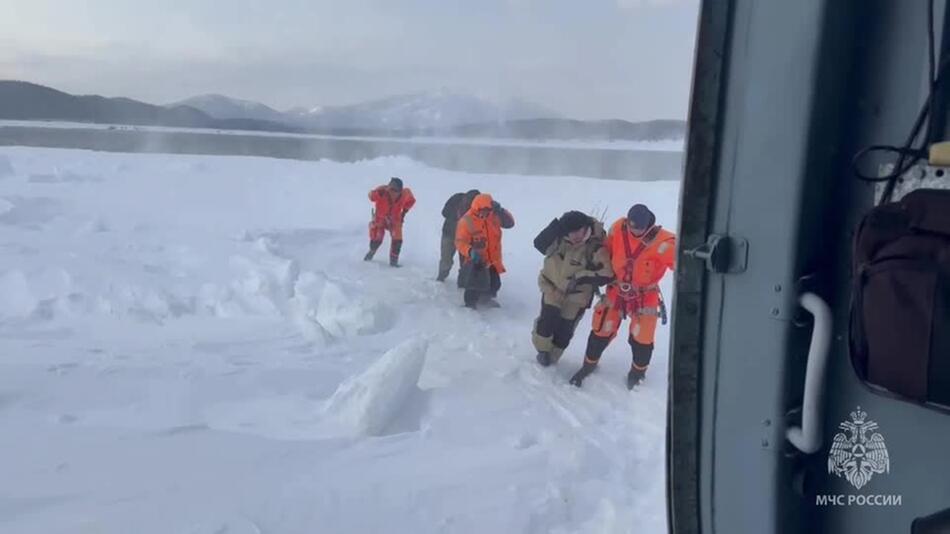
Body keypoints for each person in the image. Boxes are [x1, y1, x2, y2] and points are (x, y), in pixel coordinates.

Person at [569, 204, 676, 389]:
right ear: (627, 221)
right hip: (616, 290)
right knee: (601, 329)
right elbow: (605, 251)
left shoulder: (664, 242)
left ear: (648, 224)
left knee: (642, 338)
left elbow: (685, 266)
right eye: (632, 226)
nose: (635, 231)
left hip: (645, 295)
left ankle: (637, 373)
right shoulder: (618, 228)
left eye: (640, 228)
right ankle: (588, 365)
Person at [532, 211, 614, 367]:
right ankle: (542, 351)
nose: (574, 235)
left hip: (577, 297)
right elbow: (539, 244)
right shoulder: (558, 238)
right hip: (552, 288)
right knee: (547, 322)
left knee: (564, 331)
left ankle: (553, 356)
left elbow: (608, 274)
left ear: (586, 228)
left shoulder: (595, 248)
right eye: (570, 232)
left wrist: (581, 276)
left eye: (578, 231)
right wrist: (557, 225)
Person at [455, 193, 515, 309]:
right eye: (484, 210)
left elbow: (510, 223)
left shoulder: (494, 216)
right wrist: (470, 251)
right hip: (476, 260)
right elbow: (460, 242)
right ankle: (470, 305)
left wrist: (501, 210)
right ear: (477, 207)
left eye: (488, 210)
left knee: (494, 284)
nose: (486, 213)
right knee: (473, 285)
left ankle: (485, 300)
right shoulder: (466, 220)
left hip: (492, 259)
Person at [364, 177, 416, 267]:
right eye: (391, 189)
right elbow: (370, 196)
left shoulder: (405, 193)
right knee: (377, 240)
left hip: (394, 220)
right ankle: (370, 254)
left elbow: (411, 201)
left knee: (397, 240)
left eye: (395, 191)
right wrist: (376, 193)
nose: (392, 192)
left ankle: (393, 262)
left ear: (400, 191)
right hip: (380, 219)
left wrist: (404, 212)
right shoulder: (382, 191)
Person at [437, 189, 481, 282]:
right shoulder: (456, 198)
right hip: (449, 233)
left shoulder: (477, 208)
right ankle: (441, 276)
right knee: (446, 258)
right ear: (465, 197)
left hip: (466, 238)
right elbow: (444, 212)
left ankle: (463, 281)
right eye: (469, 200)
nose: (469, 204)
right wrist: (458, 217)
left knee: (465, 261)